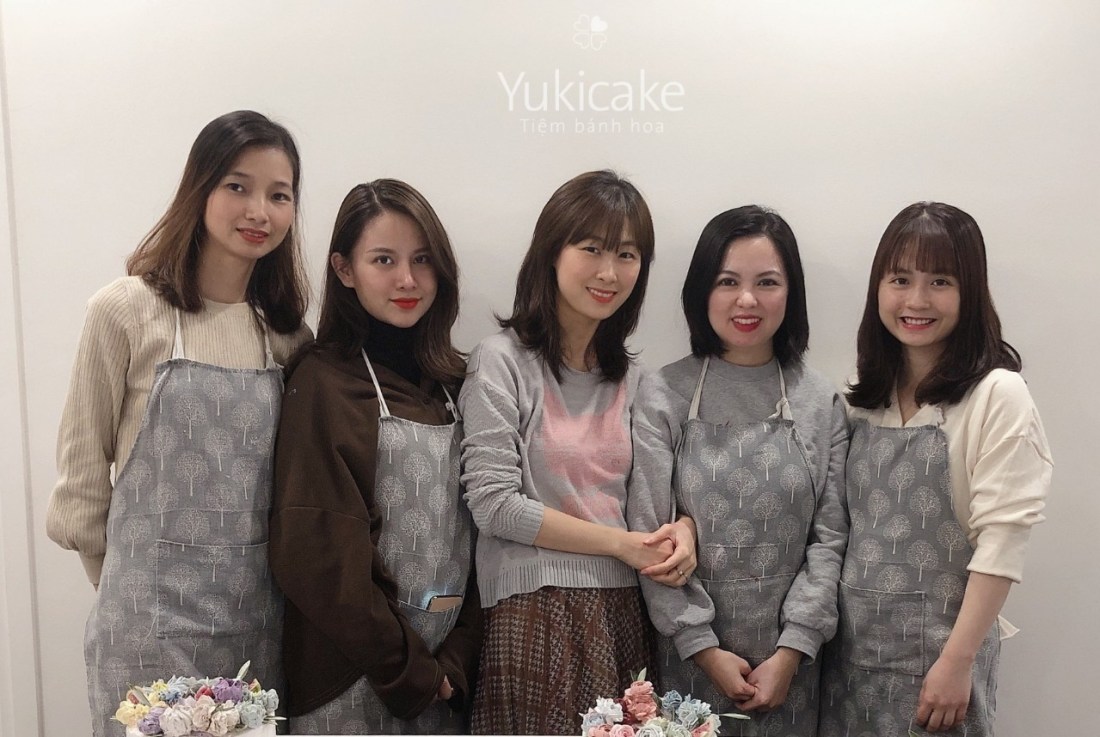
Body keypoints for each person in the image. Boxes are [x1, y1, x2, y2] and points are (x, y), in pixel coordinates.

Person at [45, 110, 312, 737]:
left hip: (254, 629)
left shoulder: (288, 338)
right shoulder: (124, 311)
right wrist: (126, 593)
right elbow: (82, 481)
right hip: (143, 628)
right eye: (238, 186)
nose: (259, 211)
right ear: (200, 189)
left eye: (279, 195)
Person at [459, 170, 698, 735]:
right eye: (591, 248)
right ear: (552, 251)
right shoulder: (501, 361)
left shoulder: (637, 381)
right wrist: (621, 545)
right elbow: (494, 505)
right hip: (531, 610)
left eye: (627, 254)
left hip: (624, 612)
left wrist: (684, 530)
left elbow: (661, 499)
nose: (609, 272)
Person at [820, 202, 1052, 736]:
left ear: (970, 293)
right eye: (900, 279)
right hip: (850, 661)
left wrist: (957, 661)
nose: (917, 300)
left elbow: (1002, 542)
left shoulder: (997, 395)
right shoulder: (863, 399)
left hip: (941, 666)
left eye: (940, 281)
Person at [269, 180, 481, 735]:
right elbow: (316, 555)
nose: (407, 280)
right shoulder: (322, 382)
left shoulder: (460, 385)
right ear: (344, 269)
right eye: (383, 260)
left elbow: (486, 533)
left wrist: (455, 661)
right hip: (350, 675)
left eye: (422, 259)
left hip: (445, 681)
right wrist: (410, 670)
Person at [629, 206, 849, 736]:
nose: (746, 300)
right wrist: (701, 646)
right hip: (685, 662)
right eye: (727, 281)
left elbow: (830, 538)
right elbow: (649, 532)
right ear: (701, 290)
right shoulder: (663, 393)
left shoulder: (820, 401)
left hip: (793, 668)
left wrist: (793, 648)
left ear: (791, 293)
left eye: (766, 282)